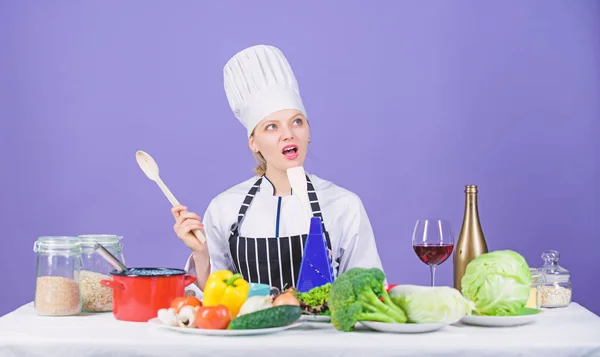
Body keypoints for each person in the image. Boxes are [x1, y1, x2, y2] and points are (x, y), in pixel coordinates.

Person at [173, 44, 384, 294]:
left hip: (322, 333)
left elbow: (371, 291)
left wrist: (333, 277)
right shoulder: (224, 208)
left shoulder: (344, 205)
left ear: (308, 132)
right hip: (250, 332)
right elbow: (212, 300)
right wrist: (201, 255)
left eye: (297, 122)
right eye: (271, 127)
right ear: (254, 142)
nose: (288, 134)